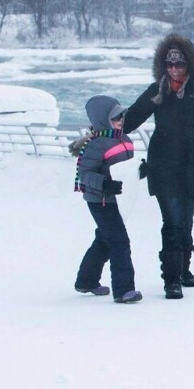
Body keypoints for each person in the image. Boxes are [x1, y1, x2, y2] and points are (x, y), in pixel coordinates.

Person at [124, 33, 194, 300]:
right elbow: (130, 119)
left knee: (186, 220)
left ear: (190, 65)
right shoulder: (157, 92)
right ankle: (171, 280)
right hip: (164, 167)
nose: (174, 70)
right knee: (172, 222)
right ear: (162, 65)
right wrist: (97, 134)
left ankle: (184, 270)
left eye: (179, 65)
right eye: (169, 65)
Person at [74, 95, 142, 304]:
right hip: (100, 200)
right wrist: (104, 183)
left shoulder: (125, 140)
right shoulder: (95, 145)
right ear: (102, 119)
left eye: (122, 115)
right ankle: (123, 290)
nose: (121, 120)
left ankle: (86, 280)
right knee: (119, 241)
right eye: (116, 117)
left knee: (105, 239)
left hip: (119, 199)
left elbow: (126, 170)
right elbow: (84, 174)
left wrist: (141, 171)